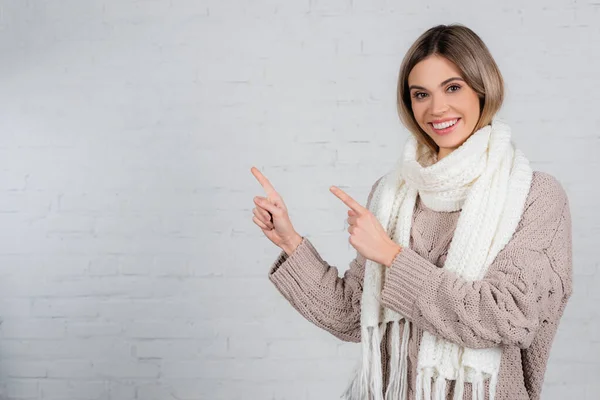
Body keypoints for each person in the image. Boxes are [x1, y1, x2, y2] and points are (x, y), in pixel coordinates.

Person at [250, 23, 572, 400]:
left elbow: (507, 315)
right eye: (421, 94)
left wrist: (391, 256)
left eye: (453, 87)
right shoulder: (391, 195)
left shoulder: (534, 195)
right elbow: (352, 316)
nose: (437, 108)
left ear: (483, 88)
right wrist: (290, 241)